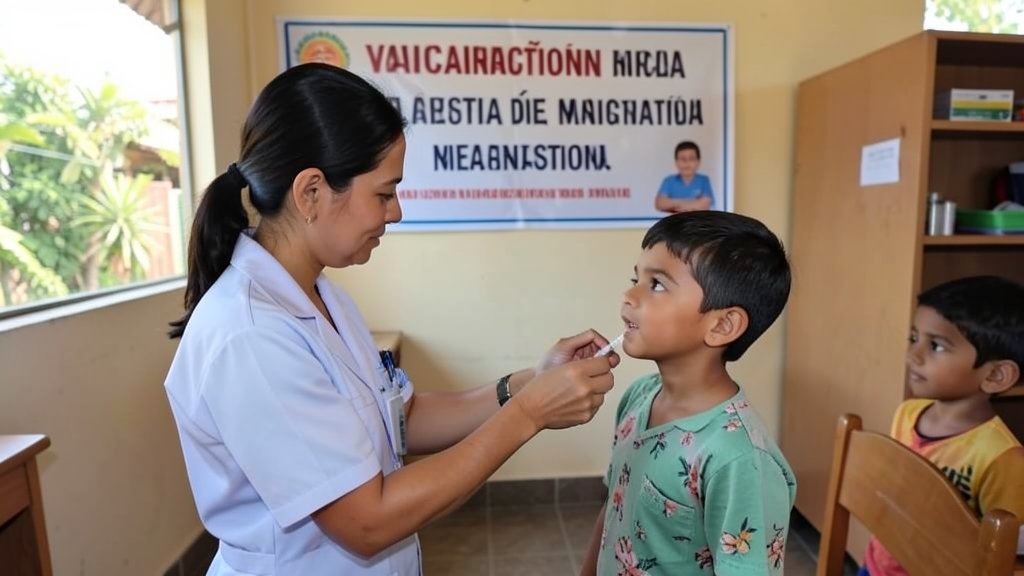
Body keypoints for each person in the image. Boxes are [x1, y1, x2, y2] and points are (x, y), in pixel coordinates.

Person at [163, 63, 619, 576]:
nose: (396, 212)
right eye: (383, 193)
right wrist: (530, 414)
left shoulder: (325, 298)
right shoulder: (250, 336)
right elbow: (367, 521)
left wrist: (530, 382)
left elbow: (404, 418)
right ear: (311, 192)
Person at [580, 211, 796, 575]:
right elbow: (614, 507)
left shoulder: (738, 458)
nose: (629, 294)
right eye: (636, 278)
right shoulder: (639, 397)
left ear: (722, 325)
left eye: (657, 284)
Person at [861, 276, 1024, 576]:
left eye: (936, 346)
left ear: (996, 375)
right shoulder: (907, 413)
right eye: (914, 338)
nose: (913, 355)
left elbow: (1006, 551)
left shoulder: (1002, 458)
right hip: (877, 566)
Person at [655, 141, 715, 214]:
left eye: (691, 158)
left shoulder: (704, 180)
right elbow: (660, 203)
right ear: (676, 162)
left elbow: (704, 205)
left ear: (698, 162)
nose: (687, 163)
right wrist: (694, 203)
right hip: (674, 222)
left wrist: (673, 204)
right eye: (683, 159)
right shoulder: (668, 180)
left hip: (698, 223)